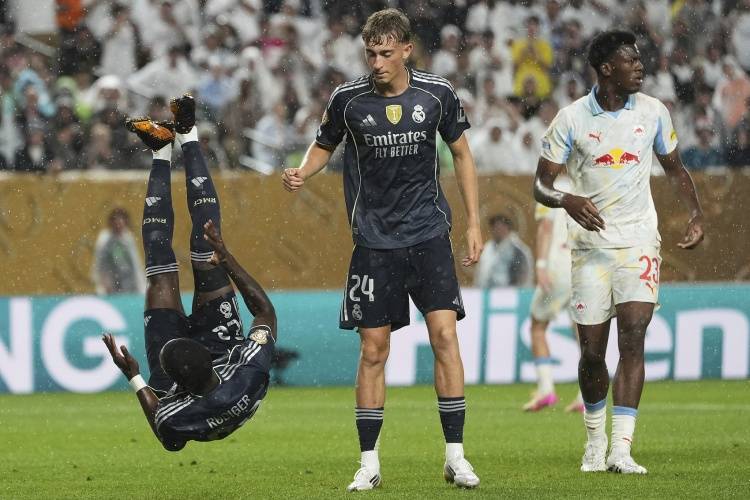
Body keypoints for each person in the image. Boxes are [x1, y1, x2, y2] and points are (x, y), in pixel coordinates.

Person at [282, 8, 483, 491]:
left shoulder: (437, 94)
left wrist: (474, 223)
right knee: (374, 350)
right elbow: (324, 144)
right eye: (370, 53)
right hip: (374, 243)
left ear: (406, 51)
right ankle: (369, 462)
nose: (376, 63)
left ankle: (456, 457)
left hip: (428, 235)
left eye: (385, 53)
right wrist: (303, 172)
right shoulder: (348, 100)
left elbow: (461, 154)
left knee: (444, 337)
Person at [533, 31, 704, 475]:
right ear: (607, 69)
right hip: (590, 249)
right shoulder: (571, 119)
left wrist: (695, 214)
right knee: (592, 353)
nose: (640, 66)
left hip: (639, 240)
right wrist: (567, 200)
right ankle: (594, 442)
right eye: (631, 60)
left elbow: (675, 168)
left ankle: (621, 449)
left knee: (634, 334)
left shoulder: (653, 111)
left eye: (639, 59)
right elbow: (541, 185)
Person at [102, 94, 277, 451]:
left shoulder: (177, 411)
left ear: (177, 385)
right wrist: (226, 258)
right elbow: (265, 312)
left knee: (159, 271)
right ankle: (188, 134)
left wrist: (136, 378)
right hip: (224, 347)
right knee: (207, 248)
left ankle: (161, 151)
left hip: (200, 374)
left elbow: (168, 438)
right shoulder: (248, 370)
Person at [523, 179, 583, 413]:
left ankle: (546, 389)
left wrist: (541, 265)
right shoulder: (585, 184)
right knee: (582, 332)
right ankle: (586, 396)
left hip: (557, 270)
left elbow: (546, 227)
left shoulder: (550, 187)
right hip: (581, 266)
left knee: (537, 326)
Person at [92, 207, 147, 295]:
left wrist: (141, 284)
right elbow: (100, 263)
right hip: (111, 284)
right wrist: (103, 282)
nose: (119, 226)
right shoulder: (105, 239)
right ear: (111, 223)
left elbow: (135, 263)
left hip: (129, 283)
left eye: (121, 223)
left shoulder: (128, 238)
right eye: (116, 223)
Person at [474, 214, 533, 288]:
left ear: (508, 228)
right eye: (495, 228)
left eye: (501, 228)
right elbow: (480, 274)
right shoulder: (486, 249)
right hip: (487, 291)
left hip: (511, 292)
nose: (498, 231)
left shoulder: (518, 249)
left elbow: (523, 276)